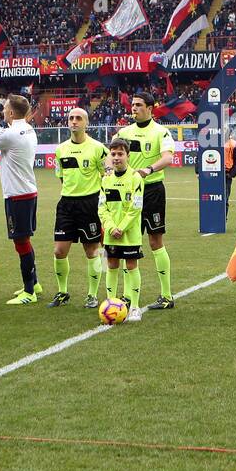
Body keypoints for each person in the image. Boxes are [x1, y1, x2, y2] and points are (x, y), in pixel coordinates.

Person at [113, 93, 177, 310]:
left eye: (139, 105)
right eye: (133, 105)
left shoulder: (161, 131)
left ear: (150, 108)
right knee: (126, 243)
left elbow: (168, 157)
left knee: (155, 242)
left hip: (152, 191)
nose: (134, 108)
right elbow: (112, 156)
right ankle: (127, 296)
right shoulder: (124, 132)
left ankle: (166, 295)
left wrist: (148, 170)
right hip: (128, 192)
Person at [0, 93, 41, 305]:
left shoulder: (12, 133)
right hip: (27, 191)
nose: (2, 112)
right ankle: (34, 282)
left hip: (17, 195)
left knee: (21, 242)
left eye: (4, 109)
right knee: (25, 239)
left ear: (11, 112)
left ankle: (29, 291)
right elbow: (5, 139)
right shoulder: (26, 129)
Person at [50, 107, 107, 309]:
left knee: (91, 250)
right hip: (66, 203)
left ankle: (92, 295)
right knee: (59, 251)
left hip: (89, 203)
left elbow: (106, 175)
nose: (74, 121)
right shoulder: (61, 149)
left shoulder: (98, 148)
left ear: (86, 123)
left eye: (79, 118)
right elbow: (61, 177)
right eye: (71, 118)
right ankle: (63, 292)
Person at [99, 138, 145, 322]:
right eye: (113, 154)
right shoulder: (106, 179)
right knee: (111, 266)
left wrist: (122, 227)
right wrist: (111, 227)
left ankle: (134, 306)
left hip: (130, 233)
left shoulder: (135, 178)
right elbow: (102, 208)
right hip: (111, 234)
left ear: (128, 155)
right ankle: (111, 302)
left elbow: (136, 207)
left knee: (132, 266)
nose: (116, 158)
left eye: (120, 154)